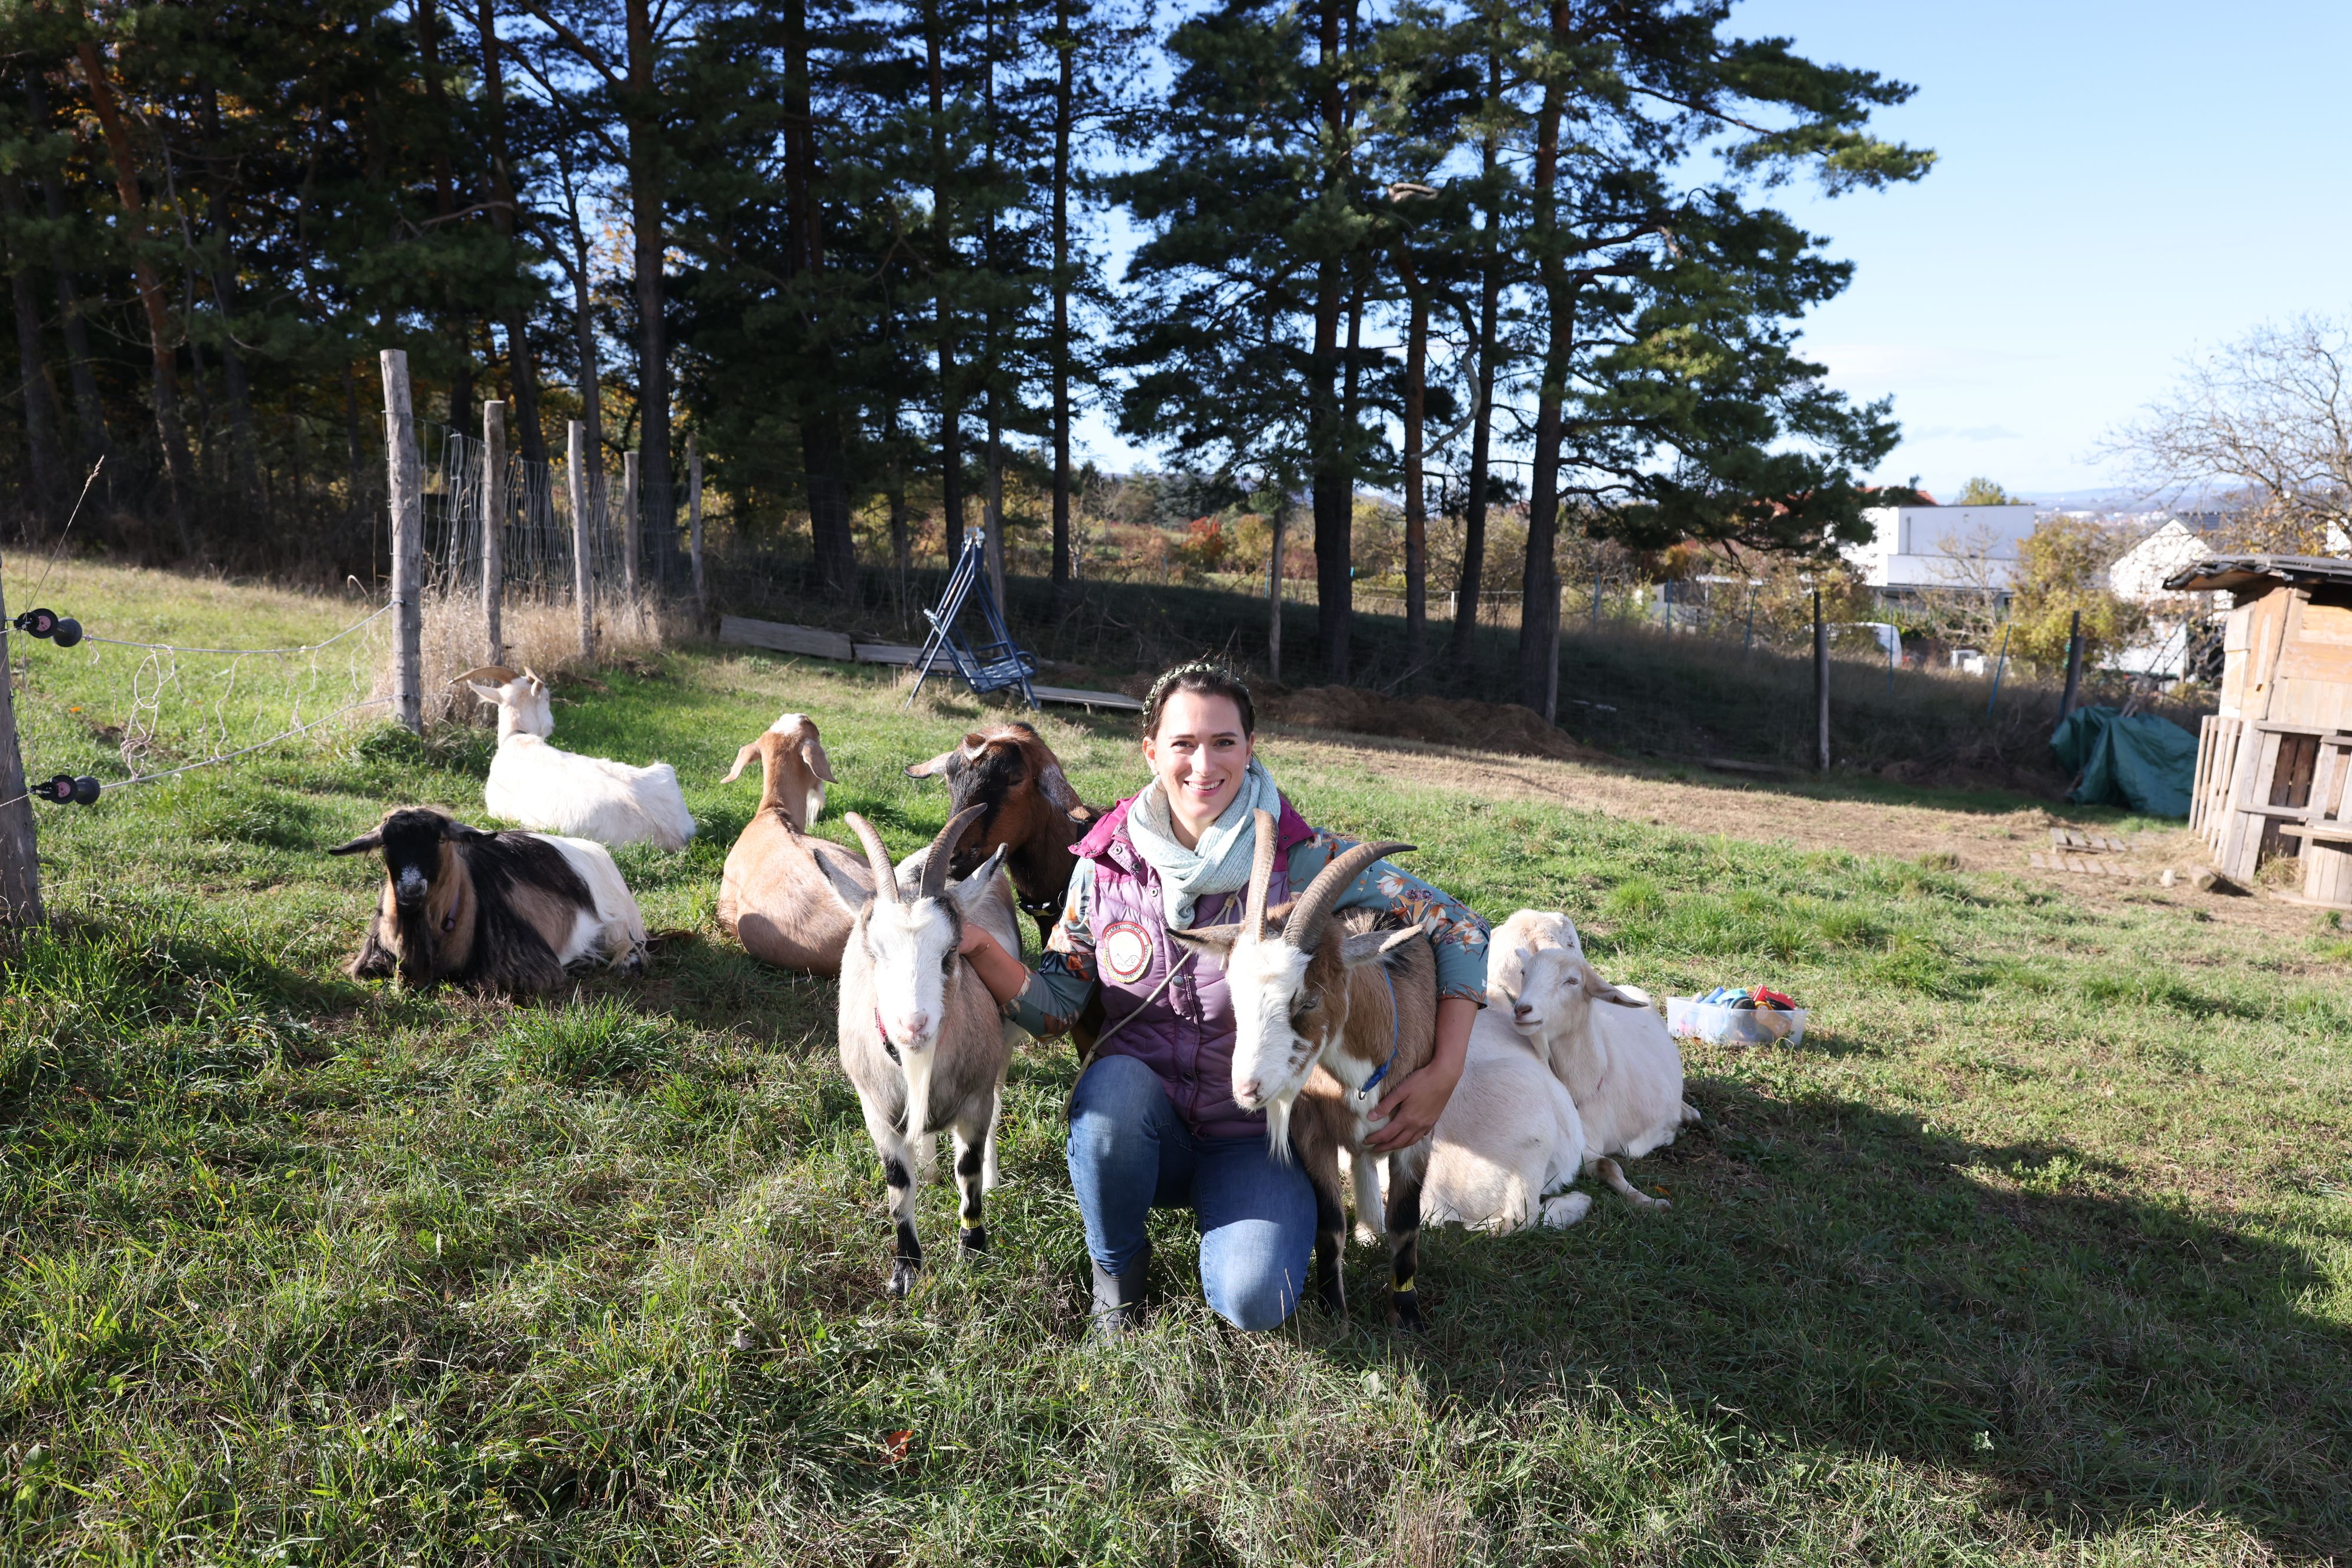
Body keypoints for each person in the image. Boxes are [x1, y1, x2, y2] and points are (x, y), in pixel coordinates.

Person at [957, 662, 1490, 1335]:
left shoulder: (1305, 860)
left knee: (1256, 1299)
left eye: (1224, 742)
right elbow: (1053, 1007)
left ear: (1250, 746)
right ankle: (1116, 1285)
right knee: (1111, 1093)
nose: (1202, 763)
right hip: (1145, 1127)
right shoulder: (1101, 867)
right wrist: (980, 947)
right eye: (1182, 743)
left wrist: (1445, 1071)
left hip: (1258, 1135)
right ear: (1151, 751)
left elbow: (1462, 927)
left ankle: (1250, 1225)